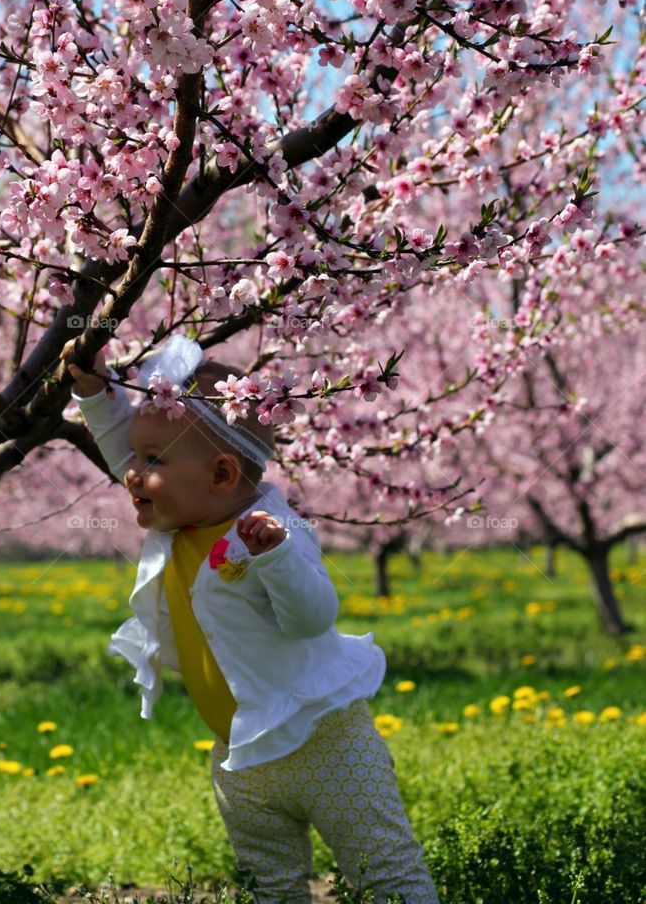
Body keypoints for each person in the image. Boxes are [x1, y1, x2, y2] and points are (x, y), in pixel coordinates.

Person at [61, 333, 440, 904]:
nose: (132, 474)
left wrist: (277, 558)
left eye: (152, 461)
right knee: (272, 887)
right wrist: (96, 391)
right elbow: (126, 443)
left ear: (220, 475)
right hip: (238, 752)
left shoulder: (271, 533)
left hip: (326, 743)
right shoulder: (181, 518)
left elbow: (314, 618)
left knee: (385, 873)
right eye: (136, 457)